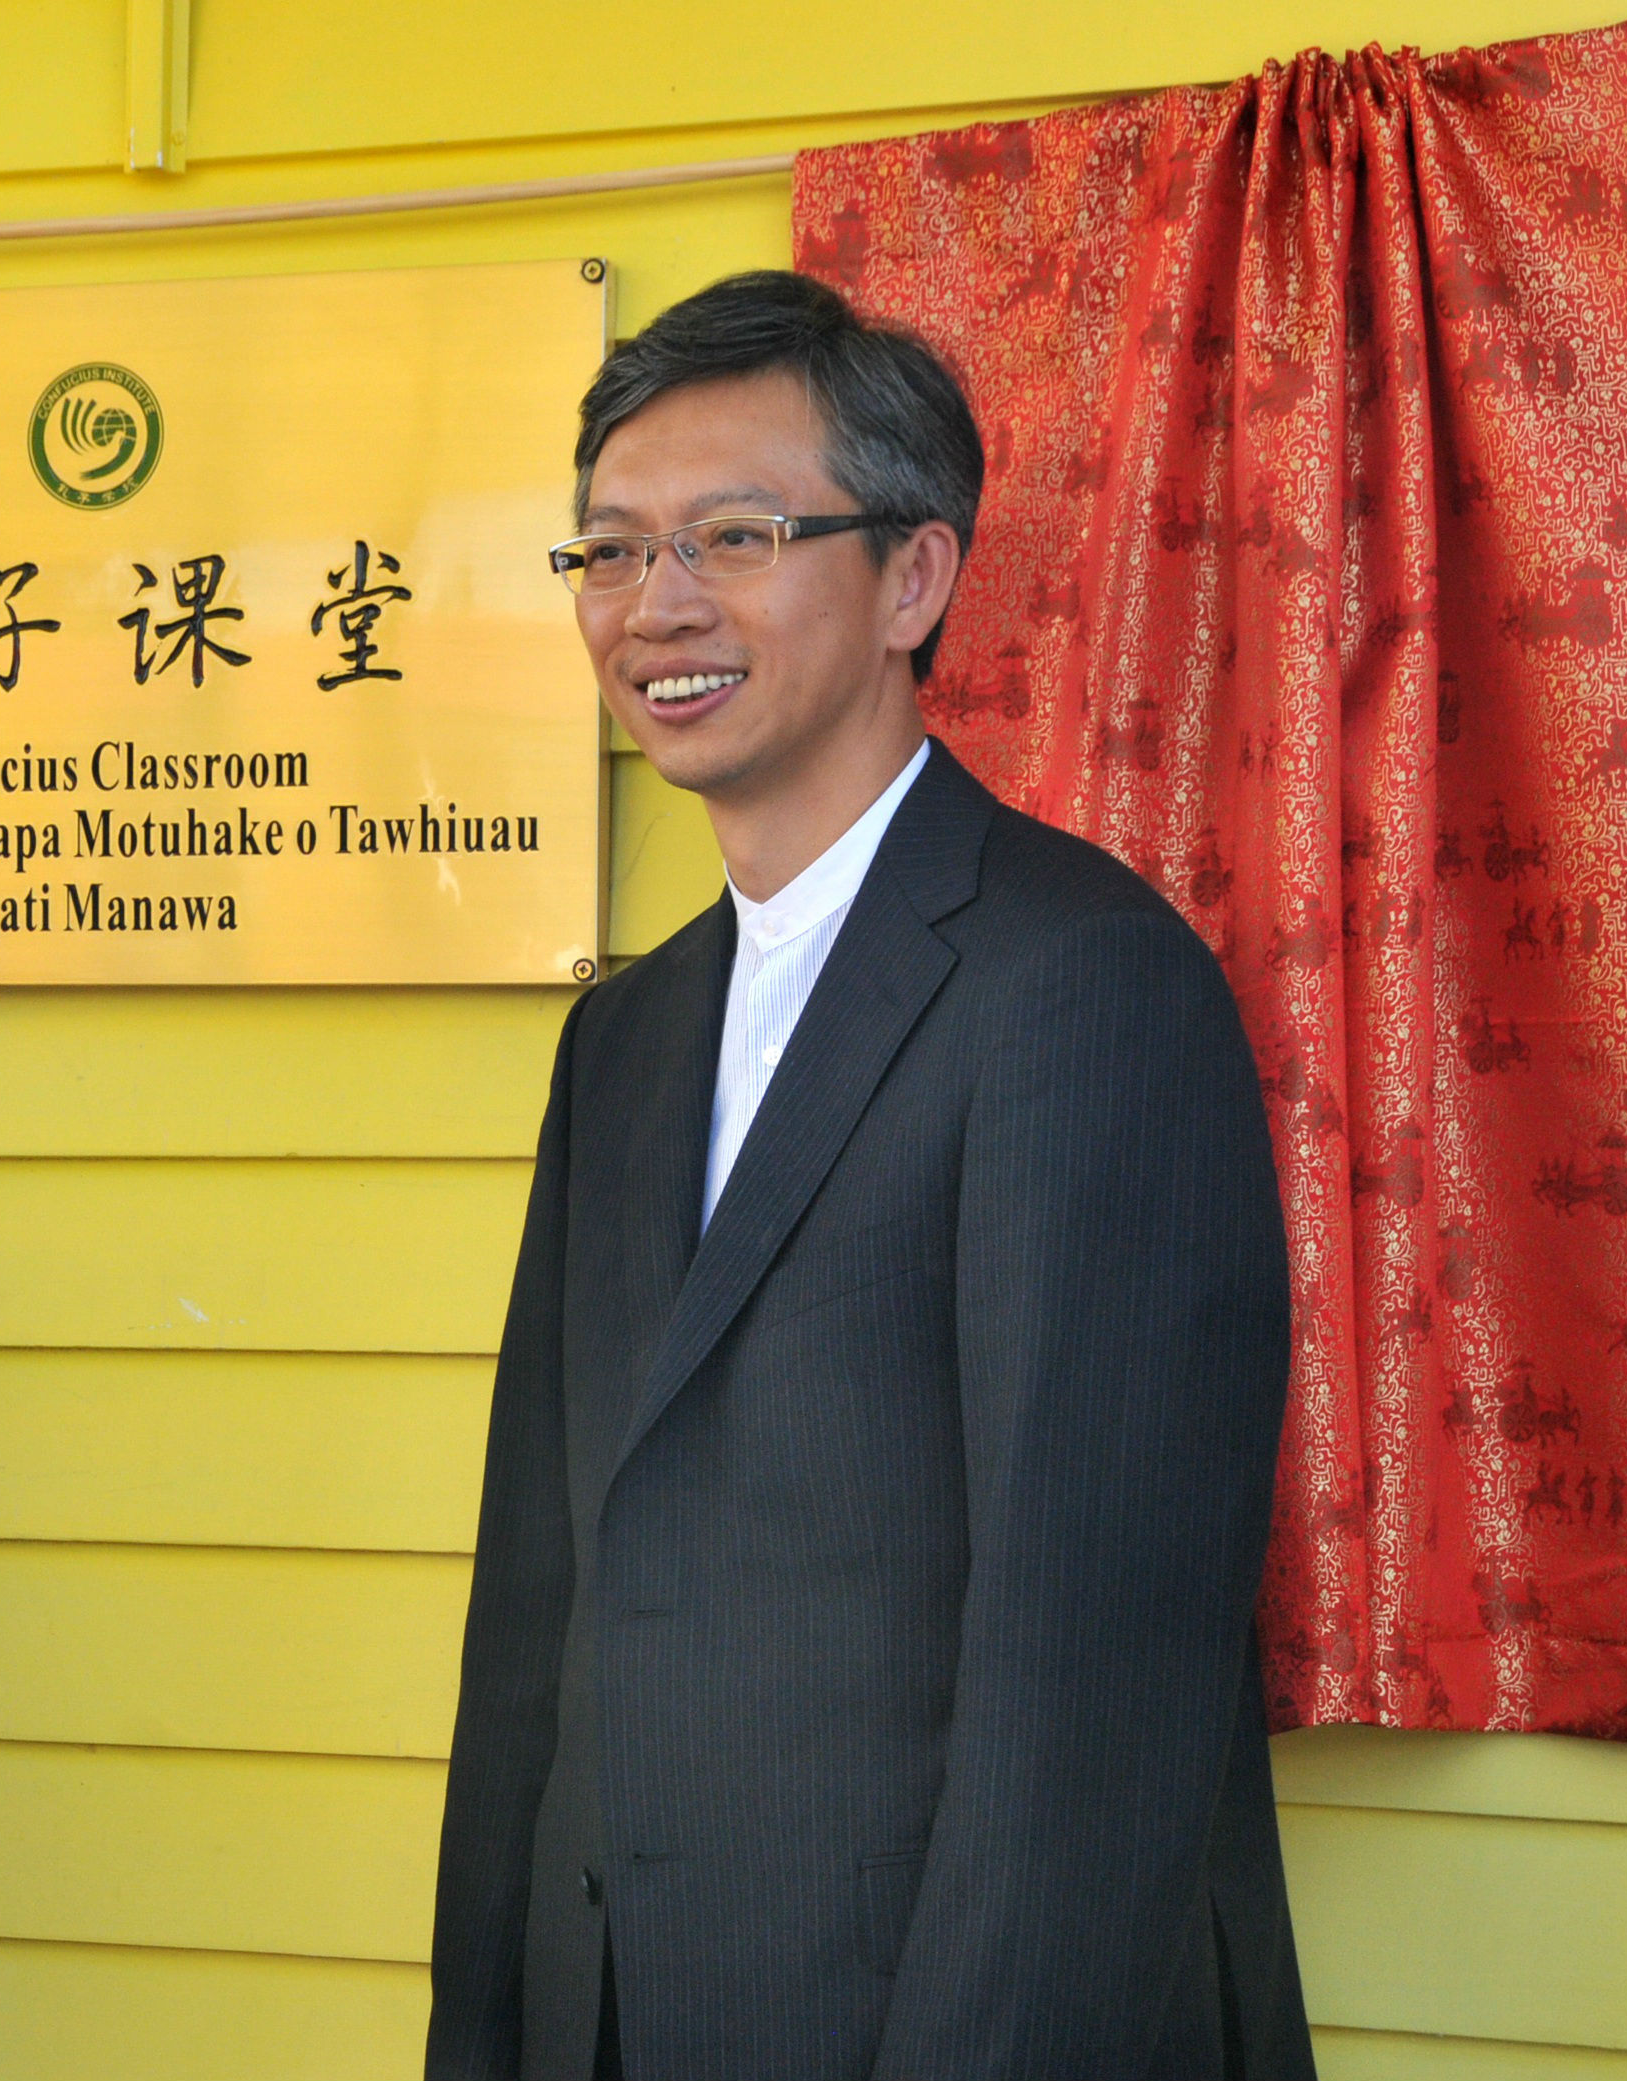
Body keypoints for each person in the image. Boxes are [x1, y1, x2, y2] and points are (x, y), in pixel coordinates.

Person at [425, 273, 1311, 2081]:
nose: (657, 604)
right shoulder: (626, 1037)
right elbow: (539, 1618)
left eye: (735, 536)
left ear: (916, 578)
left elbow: (1097, 1695)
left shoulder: (1085, 987)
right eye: (608, 549)